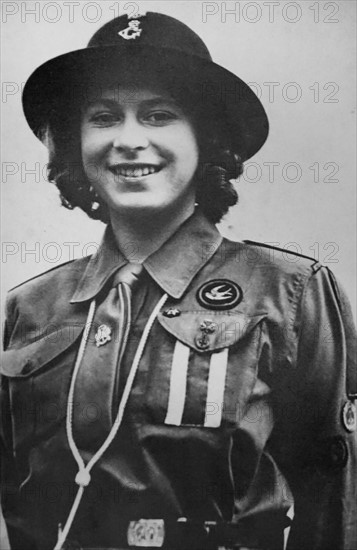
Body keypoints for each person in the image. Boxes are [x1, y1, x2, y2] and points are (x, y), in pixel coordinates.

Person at [0, 10, 356, 550]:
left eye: (159, 115)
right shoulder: (30, 308)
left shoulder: (289, 292)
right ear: (74, 144)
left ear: (206, 139)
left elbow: (334, 495)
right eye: (103, 117)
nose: (128, 140)